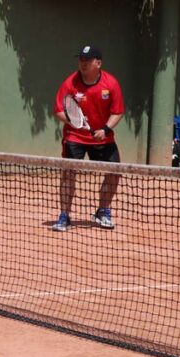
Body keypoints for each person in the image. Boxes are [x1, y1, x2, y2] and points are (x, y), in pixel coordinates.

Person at [51, 45, 125, 231]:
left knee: (114, 171)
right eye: (81, 60)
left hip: (103, 138)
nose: (83, 63)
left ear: (98, 63)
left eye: (88, 60)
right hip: (75, 137)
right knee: (68, 173)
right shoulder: (70, 83)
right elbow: (58, 110)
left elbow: (118, 112)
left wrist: (105, 129)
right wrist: (74, 121)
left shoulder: (111, 84)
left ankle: (103, 211)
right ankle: (64, 216)